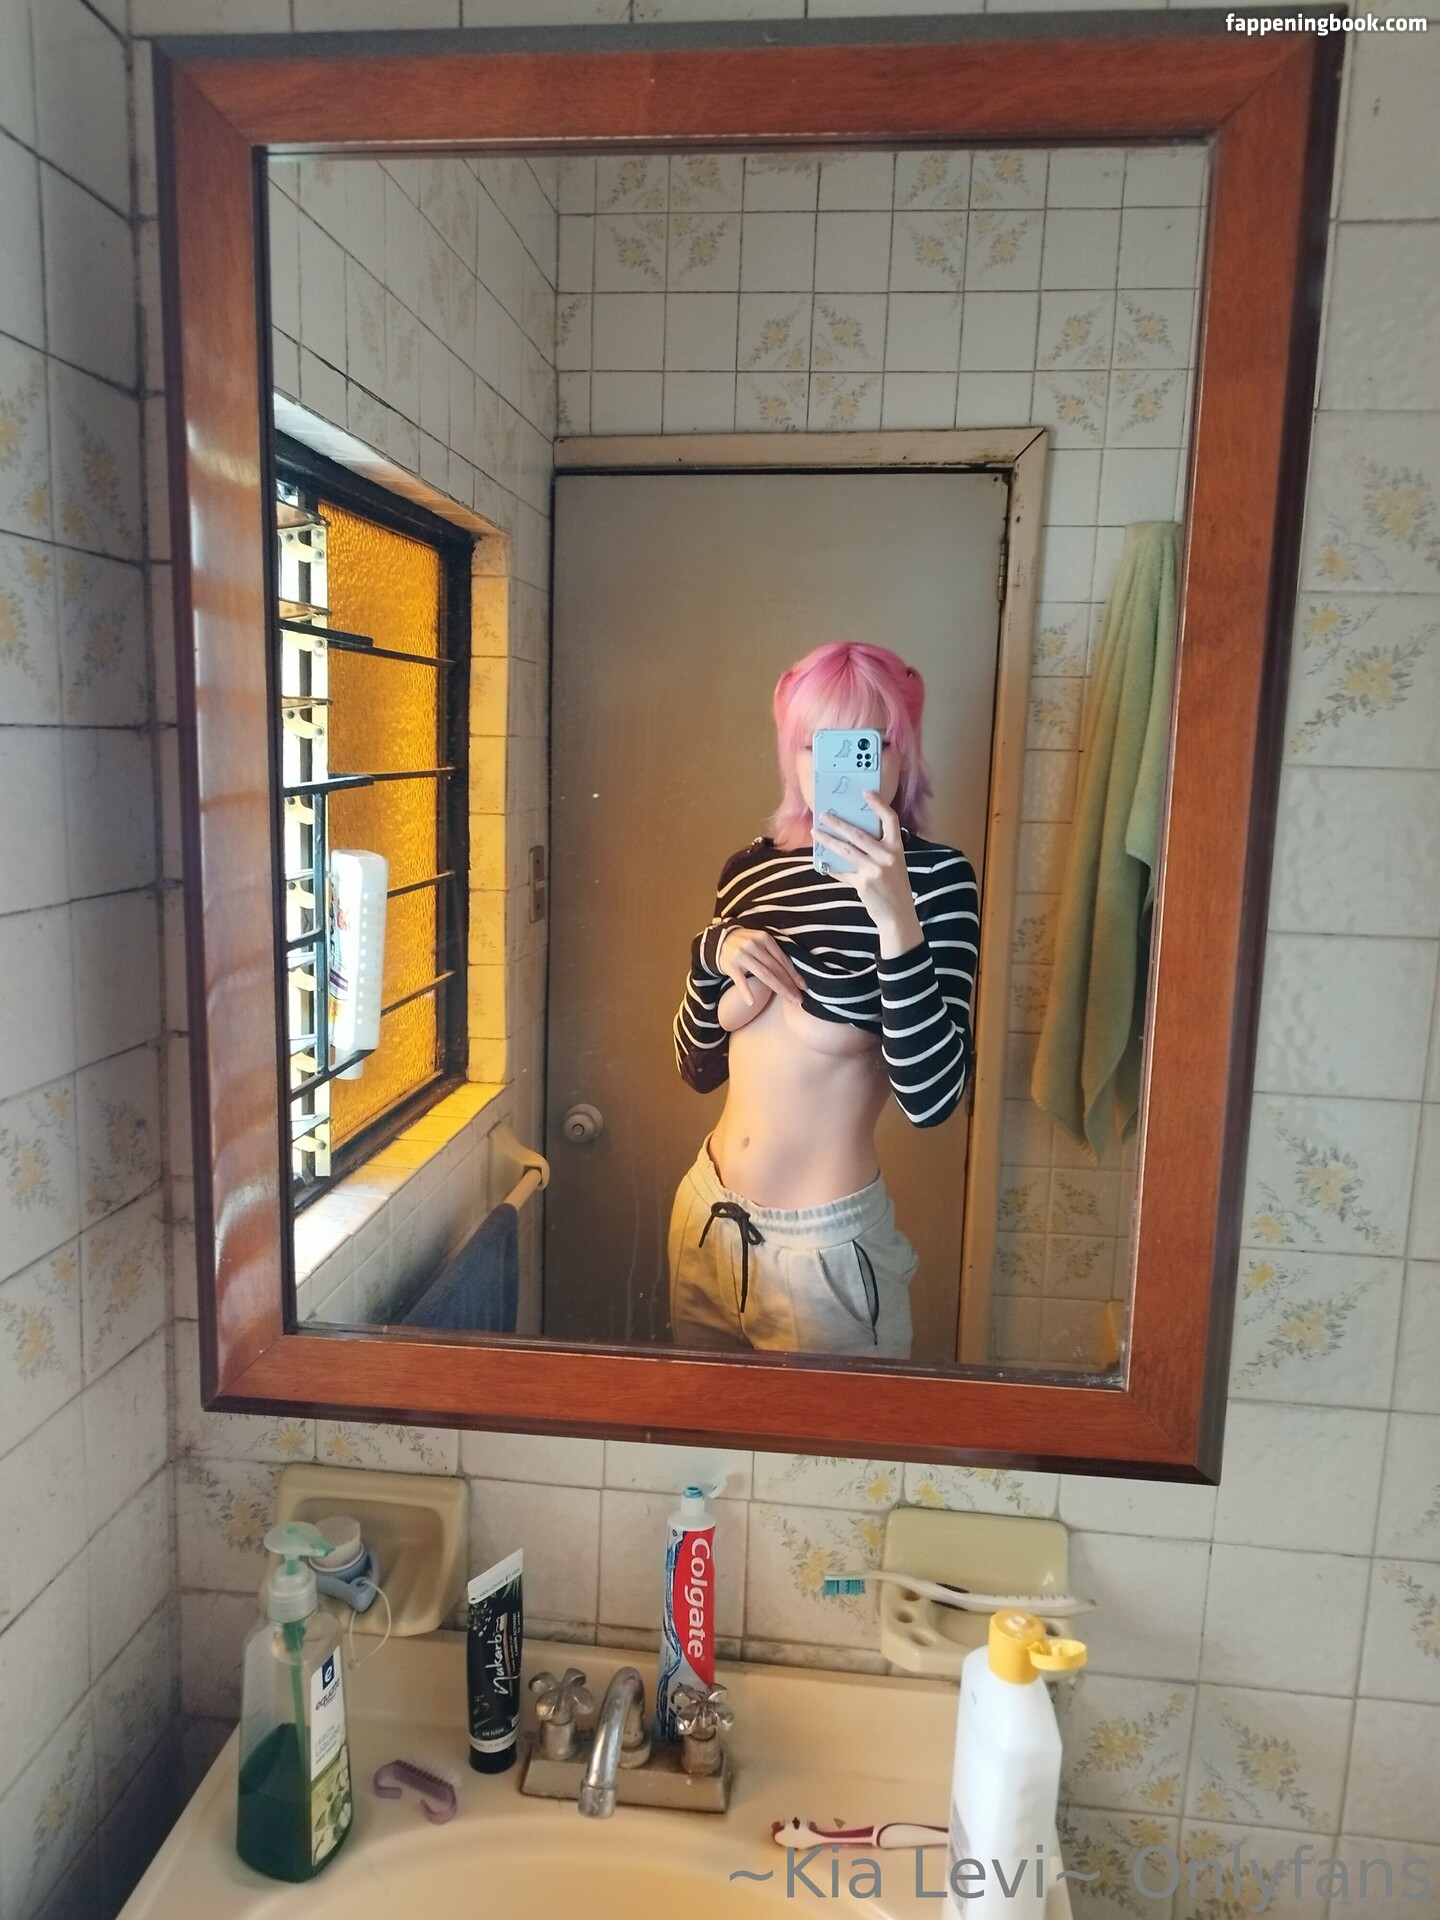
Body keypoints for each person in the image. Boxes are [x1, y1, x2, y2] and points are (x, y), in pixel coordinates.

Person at [669, 641, 979, 1358]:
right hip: (704, 1216)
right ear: (792, 752)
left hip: (826, 1255)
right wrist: (712, 952)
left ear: (902, 753)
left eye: (866, 746)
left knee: (836, 1437)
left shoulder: (939, 881)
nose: (837, 768)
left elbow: (932, 1101)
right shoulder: (748, 871)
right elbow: (696, 1064)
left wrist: (896, 916)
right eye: (817, 744)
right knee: (697, 1427)